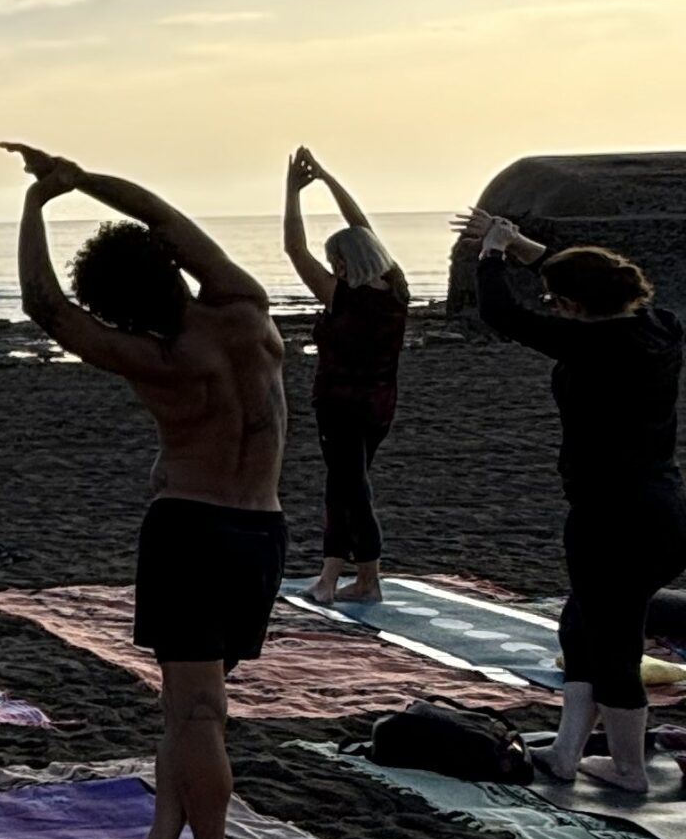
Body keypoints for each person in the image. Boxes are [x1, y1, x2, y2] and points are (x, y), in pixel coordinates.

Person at [5, 144, 285, 839]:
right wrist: (79, 179)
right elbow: (158, 213)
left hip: (193, 532)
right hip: (263, 531)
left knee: (197, 711)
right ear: (169, 265)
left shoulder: (154, 355)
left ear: (116, 305)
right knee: (188, 708)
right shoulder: (242, 304)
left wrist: (35, 205)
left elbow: (45, 305)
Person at [462, 210, 685, 793]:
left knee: (611, 643)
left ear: (576, 306)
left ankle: (629, 768)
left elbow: (500, 313)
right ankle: (567, 752)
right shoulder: (660, 327)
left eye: (557, 300)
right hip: (661, 507)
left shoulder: (595, 344)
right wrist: (520, 247)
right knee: (580, 627)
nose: (552, 307)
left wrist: (490, 253)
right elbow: (592, 283)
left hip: (614, 517)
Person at [283, 148, 408, 605]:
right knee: (345, 486)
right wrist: (330, 180)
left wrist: (292, 193)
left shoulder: (343, 296)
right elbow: (364, 229)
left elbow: (293, 249)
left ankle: (363, 578)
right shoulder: (396, 290)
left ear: (341, 263)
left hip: (341, 406)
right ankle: (333, 577)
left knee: (351, 490)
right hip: (380, 405)